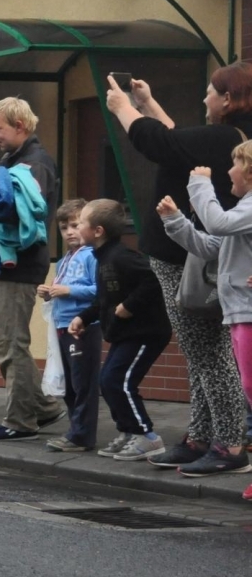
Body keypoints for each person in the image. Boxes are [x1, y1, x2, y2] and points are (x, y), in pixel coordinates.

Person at [108, 65, 252, 476]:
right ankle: (200, 438)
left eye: (209, 92)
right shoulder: (224, 138)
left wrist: (123, 109)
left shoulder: (226, 136)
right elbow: (176, 142)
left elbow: (161, 142)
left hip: (189, 259)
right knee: (199, 353)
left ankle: (228, 445)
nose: (204, 99)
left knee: (208, 353)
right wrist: (146, 103)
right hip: (186, 257)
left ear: (228, 100)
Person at [0, 97, 64, 441]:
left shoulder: (34, 164)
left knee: (9, 343)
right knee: (3, 340)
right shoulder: (16, 160)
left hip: (19, 265)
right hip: (5, 265)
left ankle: (21, 420)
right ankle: (44, 407)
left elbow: (21, 215)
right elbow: (4, 210)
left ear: (19, 126)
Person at [158, 150, 252, 490]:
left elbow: (217, 223)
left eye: (235, 165)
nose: (228, 172)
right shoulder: (244, 208)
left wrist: (199, 184)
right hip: (239, 310)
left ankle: (233, 451)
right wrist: (176, 221)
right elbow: (211, 245)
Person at [68, 200, 169, 460]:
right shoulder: (102, 258)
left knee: (119, 381)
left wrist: (128, 306)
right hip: (126, 333)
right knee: (108, 381)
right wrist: (83, 317)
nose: (76, 227)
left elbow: (153, 282)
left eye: (81, 223)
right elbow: (103, 300)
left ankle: (147, 437)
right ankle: (128, 432)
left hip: (146, 332)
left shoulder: (122, 257)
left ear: (98, 231)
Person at [37, 199, 100, 452]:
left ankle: (82, 435)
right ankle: (75, 430)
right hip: (62, 325)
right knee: (71, 384)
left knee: (83, 383)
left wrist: (69, 290)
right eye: (64, 228)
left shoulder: (92, 255)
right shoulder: (64, 260)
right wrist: (49, 293)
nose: (70, 232)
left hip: (84, 326)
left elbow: (100, 290)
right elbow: (61, 290)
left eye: (75, 225)